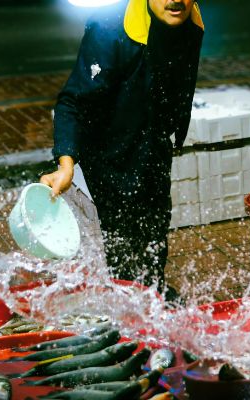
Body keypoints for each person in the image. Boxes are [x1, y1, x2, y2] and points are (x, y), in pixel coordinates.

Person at [40, 0, 204, 300]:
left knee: (155, 226)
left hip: (153, 141)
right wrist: (66, 163)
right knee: (123, 237)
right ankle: (127, 301)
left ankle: (152, 291)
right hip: (109, 151)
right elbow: (73, 101)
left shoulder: (188, 18)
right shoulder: (109, 27)